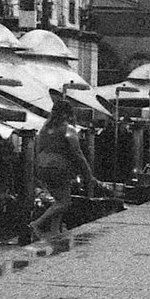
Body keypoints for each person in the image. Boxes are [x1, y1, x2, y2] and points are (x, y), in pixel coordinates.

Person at [30, 98, 103, 241]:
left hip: (42, 166)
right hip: (59, 167)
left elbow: (37, 149)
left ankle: (55, 231)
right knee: (65, 202)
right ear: (68, 113)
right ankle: (36, 224)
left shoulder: (44, 129)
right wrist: (88, 175)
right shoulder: (68, 130)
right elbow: (78, 153)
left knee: (59, 200)